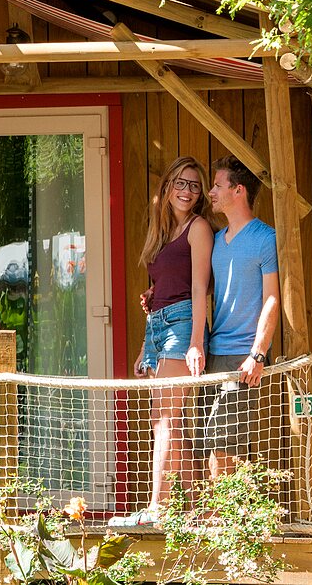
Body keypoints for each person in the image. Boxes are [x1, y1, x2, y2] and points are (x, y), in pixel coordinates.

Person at [112, 156, 214, 527]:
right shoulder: (162, 231)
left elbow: (200, 287)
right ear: (167, 187)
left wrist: (196, 343)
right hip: (156, 326)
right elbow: (166, 284)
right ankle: (202, 509)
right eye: (181, 183)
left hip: (184, 324)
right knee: (166, 421)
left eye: (195, 185)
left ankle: (158, 506)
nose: (187, 191)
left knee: (164, 419)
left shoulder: (198, 228)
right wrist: (145, 343)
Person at [203, 155, 280, 477]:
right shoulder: (217, 241)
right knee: (213, 444)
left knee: (224, 446)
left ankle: (225, 522)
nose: (210, 192)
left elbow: (273, 298)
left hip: (243, 357)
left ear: (239, 192)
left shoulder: (266, 238)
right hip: (212, 355)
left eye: (218, 186)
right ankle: (223, 518)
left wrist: (257, 354)